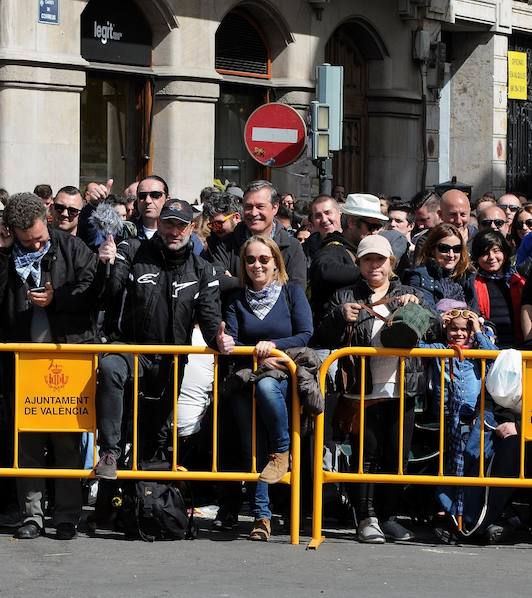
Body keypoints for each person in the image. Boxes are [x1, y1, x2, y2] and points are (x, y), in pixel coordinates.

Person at [0, 192, 101, 541]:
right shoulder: (1, 250)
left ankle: (66, 516)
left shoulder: (70, 248)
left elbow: (92, 292)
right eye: (28, 240)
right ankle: (32, 515)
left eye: (40, 237)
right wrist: (1, 254)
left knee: (65, 444)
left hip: (66, 359)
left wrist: (57, 299)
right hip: (22, 360)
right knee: (28, 444)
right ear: (13, 231)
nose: (37, 244)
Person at [94, 198, 225, 481]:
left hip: (171, 361)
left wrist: (221, 340)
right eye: (168, 224)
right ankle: (109, 453)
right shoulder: (132, 250)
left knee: (154, 439)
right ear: (159, 224)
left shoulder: (204, 269)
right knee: (109, 368)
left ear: (191, 228)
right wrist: (106, 265)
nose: (174, 231)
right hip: (130, 348)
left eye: (180, 225)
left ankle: (142, 510)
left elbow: (212, 321)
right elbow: (108, 294)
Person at [316, 235, 429, 544]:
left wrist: (417, 306)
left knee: (396, 457)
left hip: (401, 386)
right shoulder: (344, 295)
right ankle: (366, 517)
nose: (374, 264)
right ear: (359, 263)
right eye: (368, 259)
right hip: (359, 388)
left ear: (391, 263)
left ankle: (388, 516)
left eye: (380, 259)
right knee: (365, 455)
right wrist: (340, 317)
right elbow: (322, 333)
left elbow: (433, 325)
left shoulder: (408, 292)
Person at [223, 236, 312, 541]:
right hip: (247, 375)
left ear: (276, 262)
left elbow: (305, 333)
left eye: (264, 259)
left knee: (267, 392)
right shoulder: (236, 300)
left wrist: (274, 348)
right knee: (253, 450)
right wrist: (253, 351)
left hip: (282, 377)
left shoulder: (292, 292)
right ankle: (261, 516)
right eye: (250, 260)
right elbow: (233, 342)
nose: (257, 265)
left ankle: (282, 450)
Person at [417, 305, 497, 538]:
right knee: (449, 467)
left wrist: (479, 329)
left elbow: (495, 355)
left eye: (465, 330)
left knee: (472, 464)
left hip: (472, 419)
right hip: (446, 418)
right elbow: (415, 346)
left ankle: (467, 516)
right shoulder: (440, 348)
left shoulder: (478, 352)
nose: (459, 334)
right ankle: (448, 514)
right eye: (453, 329)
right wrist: (435, 324)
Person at [209, 180, 307, 295]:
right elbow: (215, 281)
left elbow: (296, 291)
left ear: (275, 208)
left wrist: (235, 282)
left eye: (260, 206)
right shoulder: (225, 244)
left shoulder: (292, 247)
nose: (254, 213)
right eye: (248, 207)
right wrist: (261, 284)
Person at [404, 223, 477, 312]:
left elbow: (476, 312)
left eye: (457, 249)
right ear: (432, 250)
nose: (451, 254)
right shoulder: (419, 276)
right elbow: (427, 313)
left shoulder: (468, 275)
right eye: (444, 248)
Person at [471, 230, 524, 347]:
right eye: (485, 253)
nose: (491, 257)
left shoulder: (518, 280)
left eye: (496, 251)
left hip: (518, 346)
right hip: (487, 347)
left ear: (504, 252)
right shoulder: (472, 282)